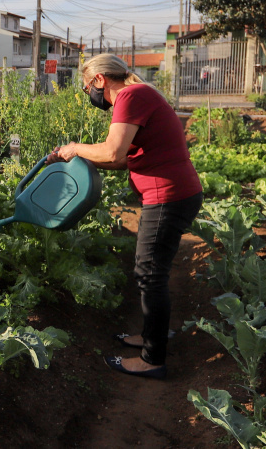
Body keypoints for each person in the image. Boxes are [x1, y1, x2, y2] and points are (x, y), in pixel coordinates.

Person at [47, 54, 202, 379]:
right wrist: (76, 159)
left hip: (168, 195)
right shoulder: (140, 95)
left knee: (150, 274)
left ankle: (152, 359)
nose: (90, 92)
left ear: (101, 79)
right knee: (152, 272)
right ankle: (150, 338)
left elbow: (113, 151)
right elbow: (120, 160)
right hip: (172, 192)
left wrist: (76, 147)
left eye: (89, 86)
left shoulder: (131, 95)